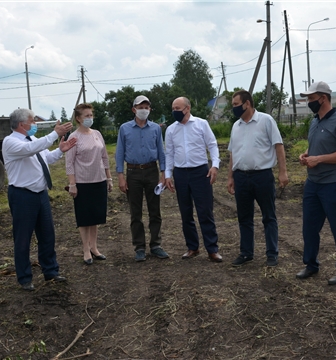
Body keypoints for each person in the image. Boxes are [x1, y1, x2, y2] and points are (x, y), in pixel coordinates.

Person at [2, 108, 76, 291]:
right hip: (22, 195)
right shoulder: (10, 142)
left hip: (40, 194)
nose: (34, 124)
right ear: (21, 124)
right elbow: (30, 150)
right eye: (32, 121)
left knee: (47, 235)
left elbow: (45, 158)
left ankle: (51, 270)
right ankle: (25, 278)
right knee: (23, 238)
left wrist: (60, 150)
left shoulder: (33, 139)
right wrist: (54, 134)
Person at [296, 81, 336, 285]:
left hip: (333, 183)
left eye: (311, 99)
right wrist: (307, 154)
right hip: (313, 183)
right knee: (310, 228)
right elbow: (318, 147)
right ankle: (311, 264)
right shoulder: (315, 121)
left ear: (323, 98)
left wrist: (319, 159)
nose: (308, 102)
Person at [227, 90, 289, 267]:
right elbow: (233, 153)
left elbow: (278, 146)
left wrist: (282, 172)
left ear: (247, 103)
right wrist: (230, 176)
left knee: (268, 216)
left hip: (262, 176)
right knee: (244, 217)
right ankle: (246, 253)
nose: (234, 108)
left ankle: (272, 254)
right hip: (241, 177)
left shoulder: (266, 120)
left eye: (236, 105)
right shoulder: (236, 126)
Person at [165, 97, 222, 263]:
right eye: (173, 108)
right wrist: (168, 174)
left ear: (187, 108)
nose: (175, 111)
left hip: (200, 172)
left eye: (178, 108)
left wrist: (215, 165)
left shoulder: (201, 124)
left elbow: (212, 145)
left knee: (205, 211)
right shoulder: (170, 130)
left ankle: (212, 249)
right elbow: (169, 153)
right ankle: (192, 247)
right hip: (181, 173)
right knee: (186, 212)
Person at [115, 95, 169, 262]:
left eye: (146, 107)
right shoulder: (124, 128)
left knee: (155, 211)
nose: (143, 110)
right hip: (133, 173)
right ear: (134, 109)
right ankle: (139, 247)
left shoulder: (155, 129)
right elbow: (119, 153)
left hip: (152, 171)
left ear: (149, 109)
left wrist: (163, 174)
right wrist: (121, 177)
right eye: (140, 107)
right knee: (135, 212)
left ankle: (156, 245)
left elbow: (161, 151)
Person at [65, 103, 113, 265]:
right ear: (78, 118)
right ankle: (85, 249)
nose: (90, 118)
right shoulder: (73, 137)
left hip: (99, 181)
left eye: (91, 115)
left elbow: (104, 157)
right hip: (82, 183)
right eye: (86, 116)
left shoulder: (97, 134)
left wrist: (109, 178)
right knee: (84, 218)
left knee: (95, 216)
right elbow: (69, 163)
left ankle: (94, 247)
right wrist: (72, 184)